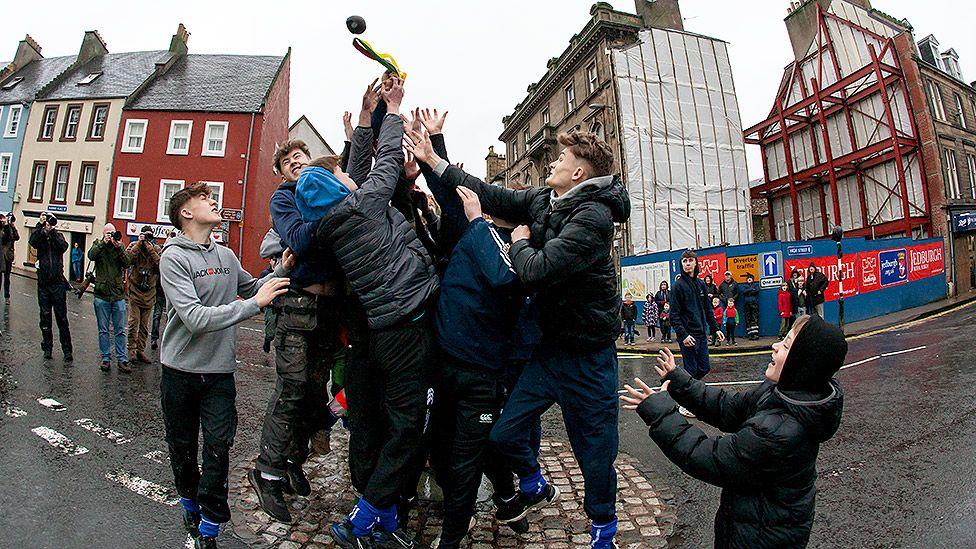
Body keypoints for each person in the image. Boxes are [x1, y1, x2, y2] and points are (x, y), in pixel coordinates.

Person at [409, 126, 629, 549]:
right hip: (549, 350)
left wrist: (520, 240)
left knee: (595, 454)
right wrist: (435, 162)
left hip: (588, 355)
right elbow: (490, 194)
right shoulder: (546, 199)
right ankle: (532, 482)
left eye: (561, 159)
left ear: (579, 173)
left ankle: (603, 530)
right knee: (502, 433)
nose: (553, 163)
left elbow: (534, 269)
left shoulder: (594, 217)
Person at [304, 77, 437, 548]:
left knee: (389, 423)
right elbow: (379, 166)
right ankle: (365, 519)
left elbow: (359, 171)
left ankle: (380, 517)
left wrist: (365, 115)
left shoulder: (334, 221)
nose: (347, 176)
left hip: (383, 328)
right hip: (408, 323)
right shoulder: (363, 205)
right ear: (338, 192)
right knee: (407, 425)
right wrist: (393, 109)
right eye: (339, 178)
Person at [620, 314, 846, 548]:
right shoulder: (783, 393)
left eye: (786, 345)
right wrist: (680, 381)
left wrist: (660, 412)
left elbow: (706, 457)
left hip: (760, 539)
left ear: (801, 364)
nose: (775, 346)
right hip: (752, 527)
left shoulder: (779, 432)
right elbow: (728, 407)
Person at [159, 182, 292, 549]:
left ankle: (209, 529)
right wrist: (255, 305)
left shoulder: (227, 255)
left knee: (218, 448)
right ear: (186, 212)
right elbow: (194, 318)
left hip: (219, 373)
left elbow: (252, 289)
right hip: (180, 371)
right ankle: (189, 502)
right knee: (182, 448)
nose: (213, 201)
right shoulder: (174, 258)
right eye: (204, 198)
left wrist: (282, 267)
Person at [250, 139, 347, 524]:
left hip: (329, 311)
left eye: (301, 158)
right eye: (288, 161)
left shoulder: (326, 185)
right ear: (283, 172)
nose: (295, 163)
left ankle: (293, 459)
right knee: (290, 388)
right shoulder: (284, 199)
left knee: (314, 391)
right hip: (297, 307)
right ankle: (267, 471)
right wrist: (334, 216)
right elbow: (300, 238)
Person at [668, 250, 724, 417]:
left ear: (695, 263)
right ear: (681, 264)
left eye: (690, 261)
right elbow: (674, 315)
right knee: (691, 370)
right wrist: (683, 335)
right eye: (684, 261)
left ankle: (683, 389)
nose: (687, 264)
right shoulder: (678, 286)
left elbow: (707, 310)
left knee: (704, 367)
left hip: (700, 333)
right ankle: (686, 403)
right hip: (688, 335)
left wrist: (715, 329)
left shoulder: (700, 285)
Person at [29, 213, 72, 361]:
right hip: (44, 284)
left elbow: (63, 246)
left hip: (58, 283)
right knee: (45, 318)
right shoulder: (39, 236)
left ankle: (67, 350)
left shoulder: (58, 235)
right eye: (48, 222)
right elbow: (32, 241)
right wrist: (42, 228)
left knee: (62, 318)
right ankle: (47, 348)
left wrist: (52, 231)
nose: (49, 224)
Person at [88, 224, 131, 372]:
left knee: (120, 329)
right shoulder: (97, 245)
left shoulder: (120, 247)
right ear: (103, 234)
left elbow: (127, 262)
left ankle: (122, 359)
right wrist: (102, 244)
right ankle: (105, 358)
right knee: (103, 329)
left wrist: (118, 247)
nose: (110, 236)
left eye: (112, 233)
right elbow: (91, 255)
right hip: (101, 294)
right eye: (108, 233)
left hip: (118, 294)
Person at [125, 226, 162, 364]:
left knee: (145, 326)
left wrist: (150, 248)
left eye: (149, 236)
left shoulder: (156, 249)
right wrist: (139, 244)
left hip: (149, 292)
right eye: (145, 236)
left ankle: (141, 350)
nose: (147, 239)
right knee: (133, 322)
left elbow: (160, 265)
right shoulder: (134, 246)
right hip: (135, 290)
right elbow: (128, 259)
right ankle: (131, 350)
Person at [151, 231, 177, 351]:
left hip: (169, 292)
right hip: (161, 290)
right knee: (158, 315)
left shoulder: (175, 256)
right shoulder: (164, 255)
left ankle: (166, 341)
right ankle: (154, 339)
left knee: (168, 316)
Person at [0, 212, 20, 305]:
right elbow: (3, 239)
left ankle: (7, 296)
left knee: (7, 278)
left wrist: (12, 226)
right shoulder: (1, 228)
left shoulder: (10, 228)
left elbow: (16, 237)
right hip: (0, 256)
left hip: (7, 256)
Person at [741, 274, 760, 340]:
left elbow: (757, 290)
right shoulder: (744, 285)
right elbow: (743, 291)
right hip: (747, 304)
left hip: (754, 304)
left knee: (754, 318)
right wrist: (751, 289)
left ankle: (755, 334)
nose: (749, 279)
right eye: (748, 278)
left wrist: (748, 290)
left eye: (751, 278)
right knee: (748, 319)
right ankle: (750, 334)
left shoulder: (756, 285)